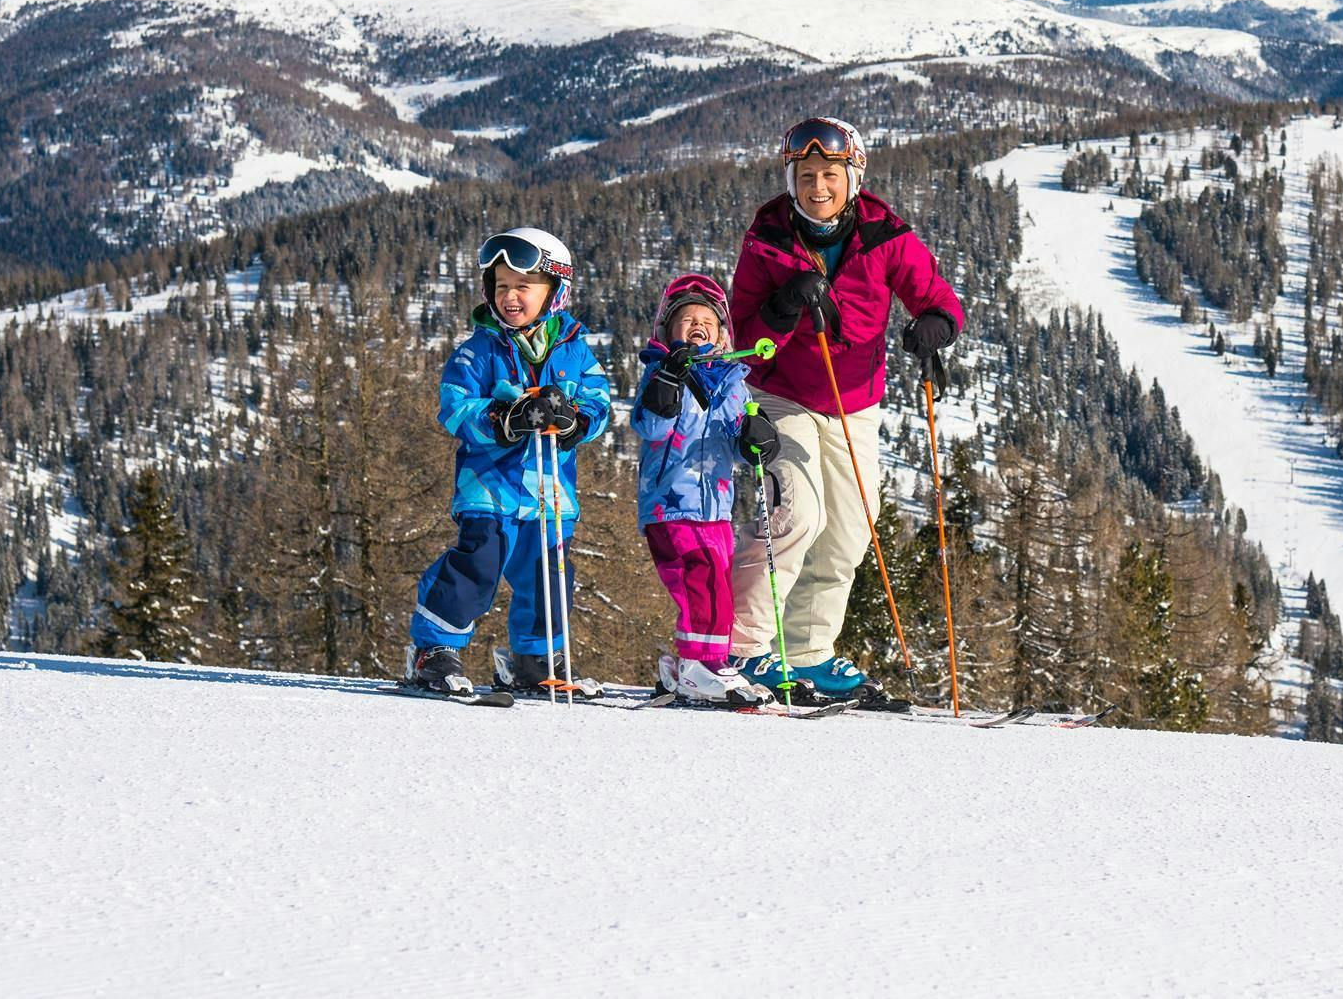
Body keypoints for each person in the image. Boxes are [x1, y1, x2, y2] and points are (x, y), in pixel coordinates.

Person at [726, 117, 963, 703]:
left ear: (852, 176)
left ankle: (805, 653)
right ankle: (745, 651)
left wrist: (935, 325)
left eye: (830, 174)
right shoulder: (768, 238)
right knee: (796, 514)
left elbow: (935, 296)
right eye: (805, 175)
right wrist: (784, 307)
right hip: (781, 394)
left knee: (850, 532)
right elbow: (739, 333)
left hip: (856, 401)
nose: (818, 187)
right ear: (792, 178)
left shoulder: (884, 233)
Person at [405, 226, 613, 696]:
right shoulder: (477, 350)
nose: (510, 297)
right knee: (477, 568)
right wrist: (507, 417)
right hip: (490, 489)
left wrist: (576, 422)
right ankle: (434, 649)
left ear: (555, 293)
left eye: (523, 286)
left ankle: (536, 658)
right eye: (501, 286)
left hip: (550, 496)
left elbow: (600, 404)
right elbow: (454, 406)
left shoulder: (574, 351)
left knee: (549, 580)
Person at [631, 273, 781, 707]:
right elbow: (650, 425)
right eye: (686, 319)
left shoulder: (731, 383)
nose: (697, 323)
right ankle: (704, 663)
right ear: (667, 331)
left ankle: (692, 665)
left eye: (707, 320)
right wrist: (670, 380)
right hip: (672, 504)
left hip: (716, 508)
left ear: (722, 334)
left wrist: (757, 438)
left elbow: (739, 446)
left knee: (715, 585)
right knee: (703, 579)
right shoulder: (661, 374)